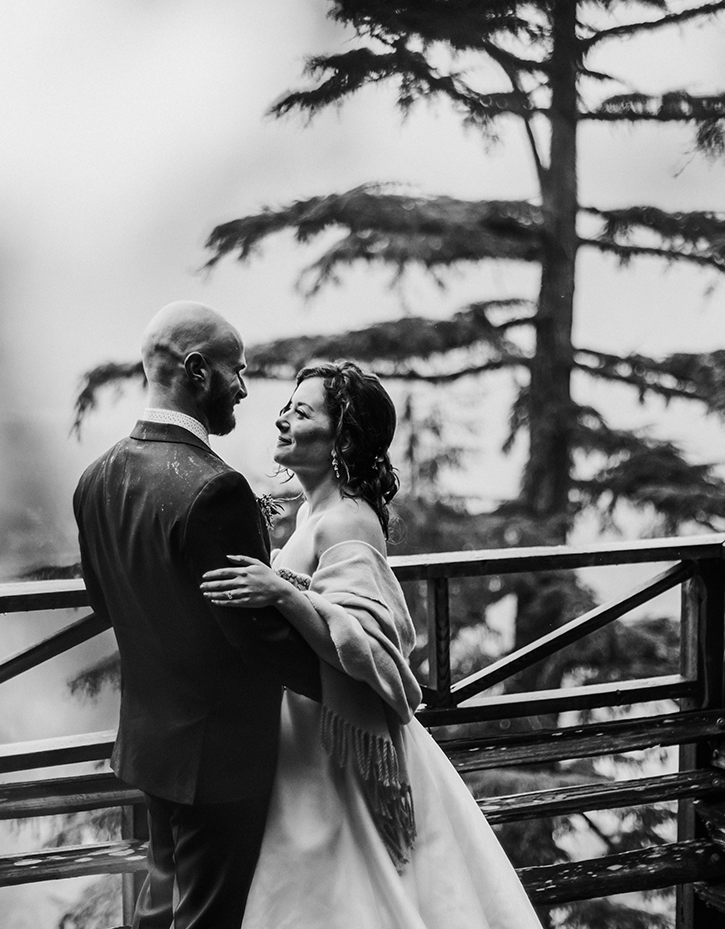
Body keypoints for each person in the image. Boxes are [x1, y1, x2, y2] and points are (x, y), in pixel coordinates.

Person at [200, 361, 542, 929]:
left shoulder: (348, 522)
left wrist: (281, 594)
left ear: (342, 438)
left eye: (302, 412)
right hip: (308, 730)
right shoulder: (314, 510)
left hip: (335, 745)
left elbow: (366, 647)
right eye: (287, 407)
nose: (282, 419)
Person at [73, 301, 321, 929]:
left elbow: (107, 603)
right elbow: (255, 638)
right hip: (221, 762)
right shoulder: (217, 488)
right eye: (236, 370)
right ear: (196, 370)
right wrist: (344, 682)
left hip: (150, 749)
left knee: (160, 910)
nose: (243, 387)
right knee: (209, 918)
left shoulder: (97, 477)